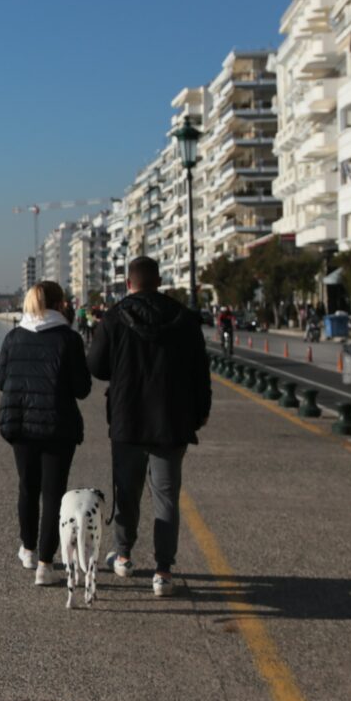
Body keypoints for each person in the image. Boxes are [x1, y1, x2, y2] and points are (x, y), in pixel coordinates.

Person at [85, 256, 211, 597]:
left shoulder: (113, 318)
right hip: (172, 420)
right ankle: (163, 571)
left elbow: (96, 367)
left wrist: (121, 365)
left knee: (127, 492)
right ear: (159, 282)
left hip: (128, 419)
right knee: (166, 497)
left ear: (129, 283)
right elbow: (201, 372)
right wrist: (201, 412)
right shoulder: (184, 319)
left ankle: (123, 556)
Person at [0, 281, 92, 587]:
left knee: (27, 487)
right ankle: (46, 567)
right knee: (53, 495)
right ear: (61, 304)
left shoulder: (14, 336)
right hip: (57, 426)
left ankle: (28, 549)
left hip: (21, 424)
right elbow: (82, 388)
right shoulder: (69, 339)